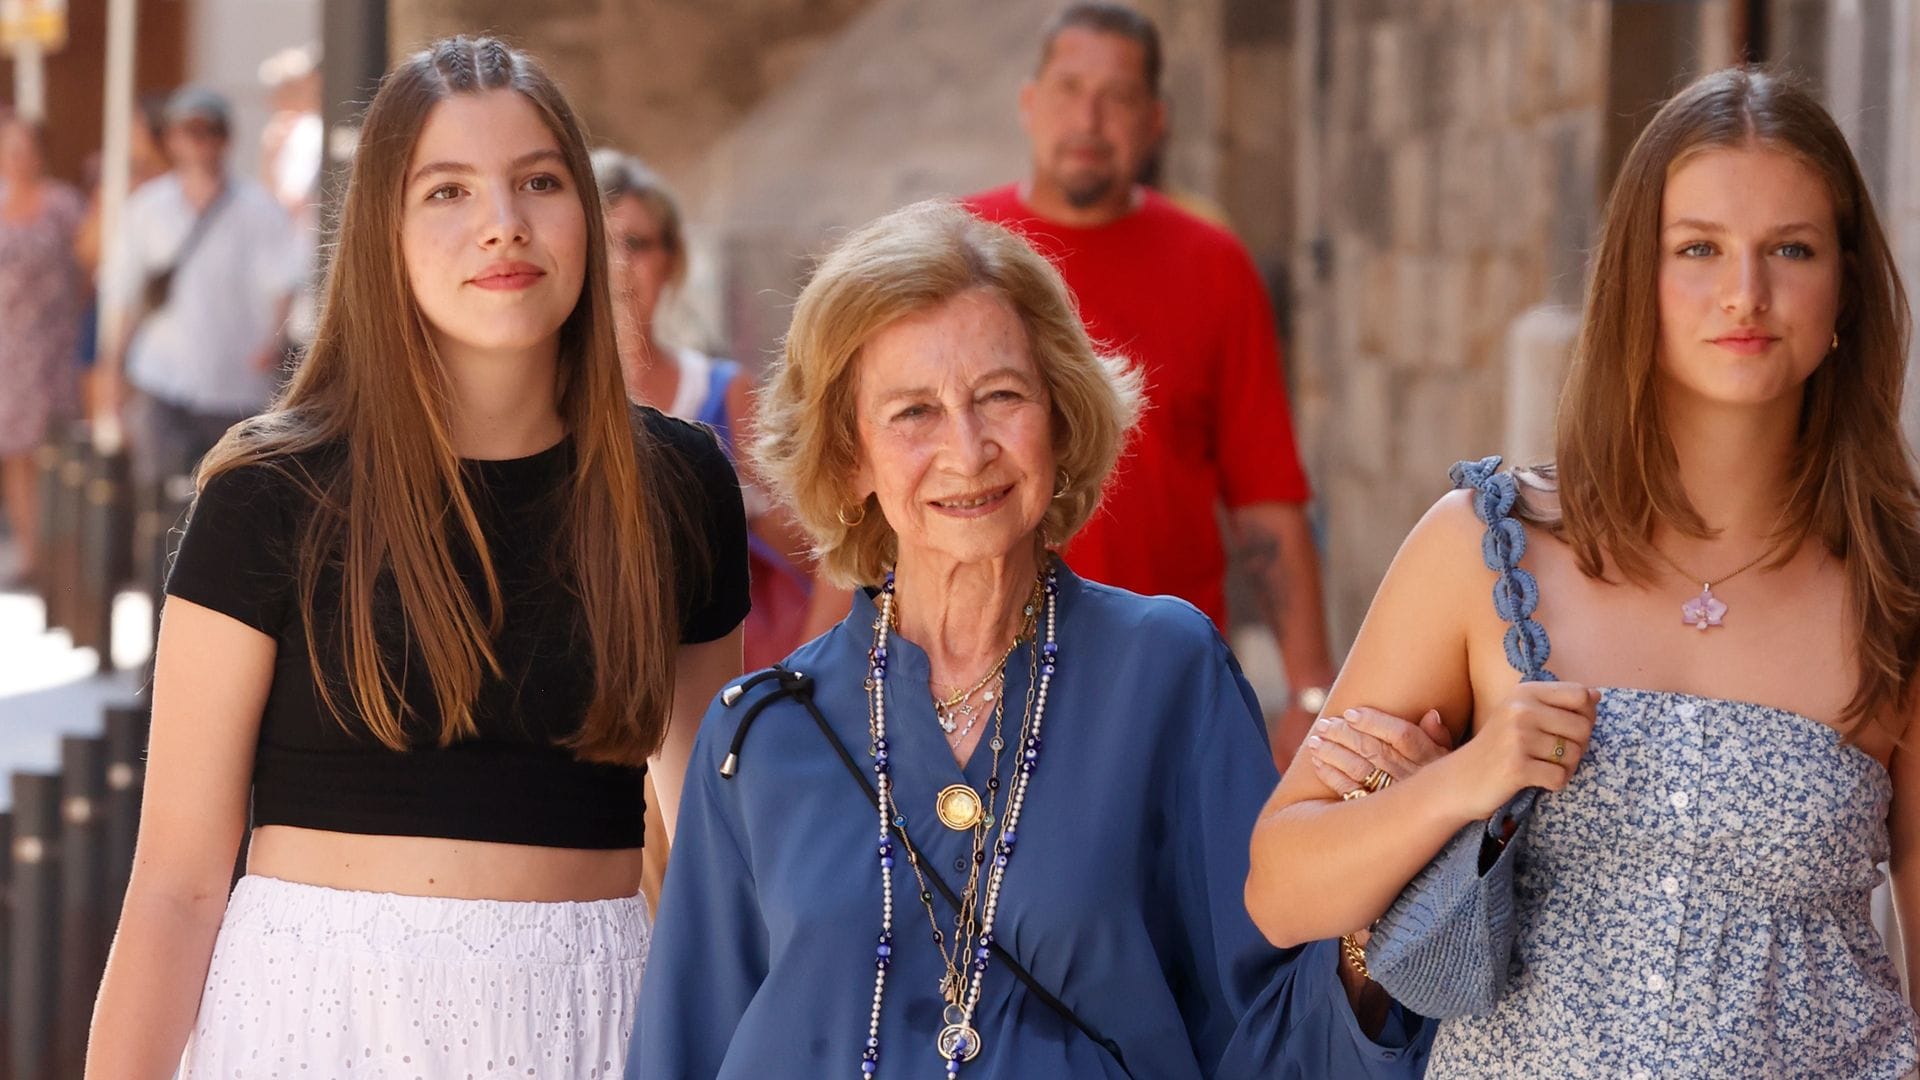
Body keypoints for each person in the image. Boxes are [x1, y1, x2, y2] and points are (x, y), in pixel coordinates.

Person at [627, 199, 1430, 1078]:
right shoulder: (758, 739)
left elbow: (1272, 1028)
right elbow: (684, 1053)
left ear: (1059, 414)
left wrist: (1368, 916)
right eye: (913, 413)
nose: (967, 451)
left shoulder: (1164, 675)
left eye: (1000, 396)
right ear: (849, 458)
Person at [84, 37, 748, 1077]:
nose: (503, 223)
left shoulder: (677, 486)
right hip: (318, 1025)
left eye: (539, 180)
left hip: (594, 1025)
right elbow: (174, 885)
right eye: (447, 191)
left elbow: (712, 842)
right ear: (381, 233)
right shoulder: (269, 493)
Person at [1247, 67, 1920, 1078]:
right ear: (1634, 285)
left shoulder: (1897, 586)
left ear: (1846, 292)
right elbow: (1280, 889)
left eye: (1791, 248)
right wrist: (1467, 782)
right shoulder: (1484, 549)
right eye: (1698, 249)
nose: (1746, 291)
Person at [965, 2, 1335, 759]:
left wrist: (1310, 694)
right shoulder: (959, 256)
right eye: (1069, 89)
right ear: (1030, 103)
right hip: (974, 672)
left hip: (1160, 682)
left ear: (1155, 120)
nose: (1090, 118)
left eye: (1119, 97)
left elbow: (1266, 502)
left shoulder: (1214, 267)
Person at [592, 148, 841, 669]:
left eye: (635, 244)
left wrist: (734, 500)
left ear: (671, 260)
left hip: (723, 674)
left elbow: (821, 552)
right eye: (601, 243)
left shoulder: (724, 390)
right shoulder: (543, 403)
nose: (617, 264)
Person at [95, 86, 301, 491]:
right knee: (158, 502)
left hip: (235, 387)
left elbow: (283, 283)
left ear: (225, 138)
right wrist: (112, 369)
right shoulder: (147, 209)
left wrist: (272, 343)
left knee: (228, 503)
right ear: (170, 139)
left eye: (207, 130)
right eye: (186, 130)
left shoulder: (258, 209)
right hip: (163, 378)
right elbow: (124, 294)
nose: (197, 141)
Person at [0, 116, 85, 584]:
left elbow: (89, 263)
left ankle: (59, 553)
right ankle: (31, 552)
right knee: (15, 453)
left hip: (53, 343)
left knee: (53, 451)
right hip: (8, 347)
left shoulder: (61, 203)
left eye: (24, 148)